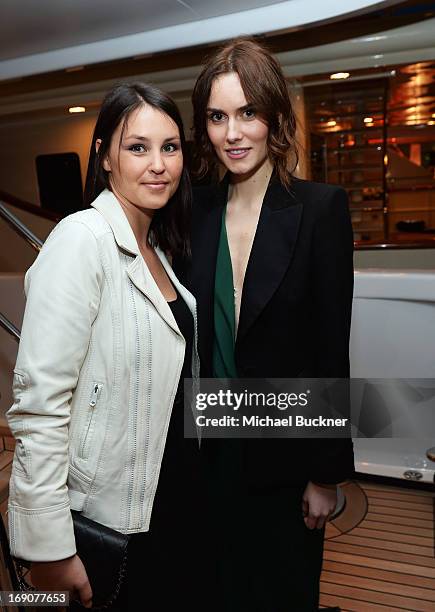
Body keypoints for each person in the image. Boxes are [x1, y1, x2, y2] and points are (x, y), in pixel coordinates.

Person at [7, 82, 202, 611]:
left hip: (163, 503)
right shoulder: (81, 239)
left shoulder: (159, 246)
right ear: (104, 157)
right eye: (137, 147)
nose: (158, 163)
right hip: (103, 519)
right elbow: (39, 406)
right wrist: (48, 548)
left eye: (170, 147)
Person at [183, 38, 355, 611]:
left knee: (284, 590)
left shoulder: (321, 209)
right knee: (219, 587)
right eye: (216, 116)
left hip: (287, 451)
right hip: (208, 447)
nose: (232, 133)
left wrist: (326, 474)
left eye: (247, 113)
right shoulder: (193, 212)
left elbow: (331, 348)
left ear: (276, 117)